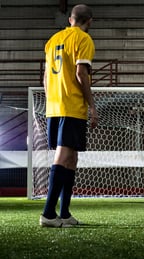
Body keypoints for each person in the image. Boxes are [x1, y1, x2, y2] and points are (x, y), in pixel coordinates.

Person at [40, 4, 98, 227]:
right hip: (71, 106)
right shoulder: (83, 40)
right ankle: (47, 214)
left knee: (72, 159)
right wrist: (92, 106)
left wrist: (51, 100)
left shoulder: (52, 40)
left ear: (70, 19)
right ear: (89, 21)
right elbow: (80, 73)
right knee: (63, 157)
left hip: (54, 106)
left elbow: (45, 76)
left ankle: (64, 214)